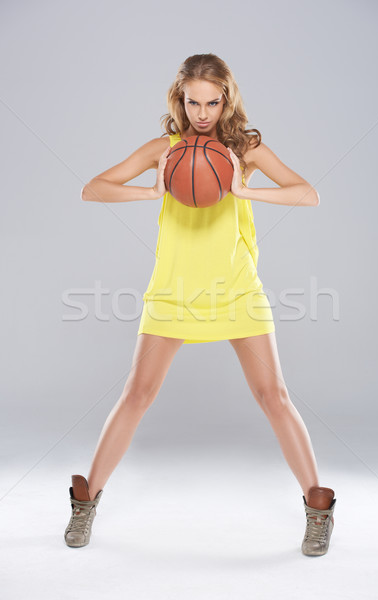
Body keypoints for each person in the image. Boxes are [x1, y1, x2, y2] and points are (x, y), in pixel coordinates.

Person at [64, 53, 336, 556]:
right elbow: (92, 188)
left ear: (226, 99)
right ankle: (86, 503)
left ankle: (318, 508)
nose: (203, 113)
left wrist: (241, 189)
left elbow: (309, 194)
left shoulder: (245, 149)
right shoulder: (163, 149)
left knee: (274, 396)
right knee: (137, 394)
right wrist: (151, 190)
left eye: (213, 102)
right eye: (193, 102)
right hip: (173, 289)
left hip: (235, 289)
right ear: (180, 99)